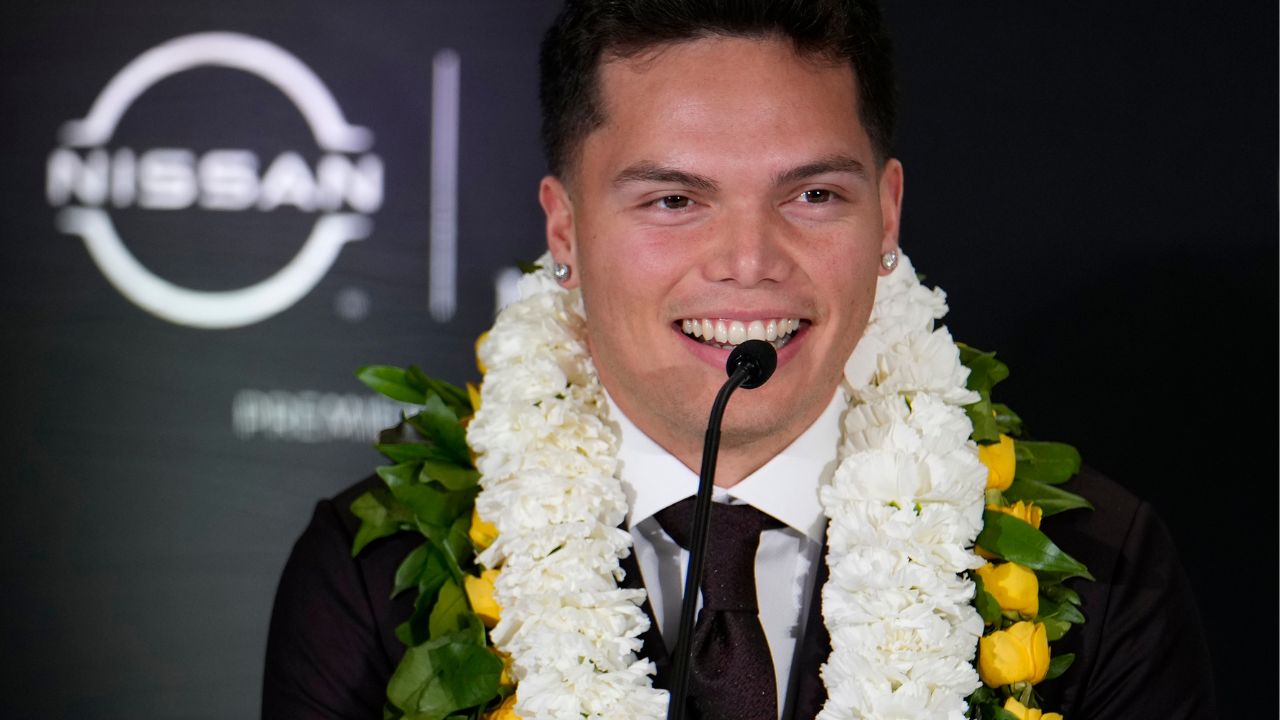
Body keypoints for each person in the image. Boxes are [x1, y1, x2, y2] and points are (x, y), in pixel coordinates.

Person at [263, 2, 1216, 718]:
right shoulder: (378, 580)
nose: (750, 263)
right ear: (565, 229)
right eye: (674, 201)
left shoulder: (1099, 570)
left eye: (811, 195)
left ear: (886, 213)